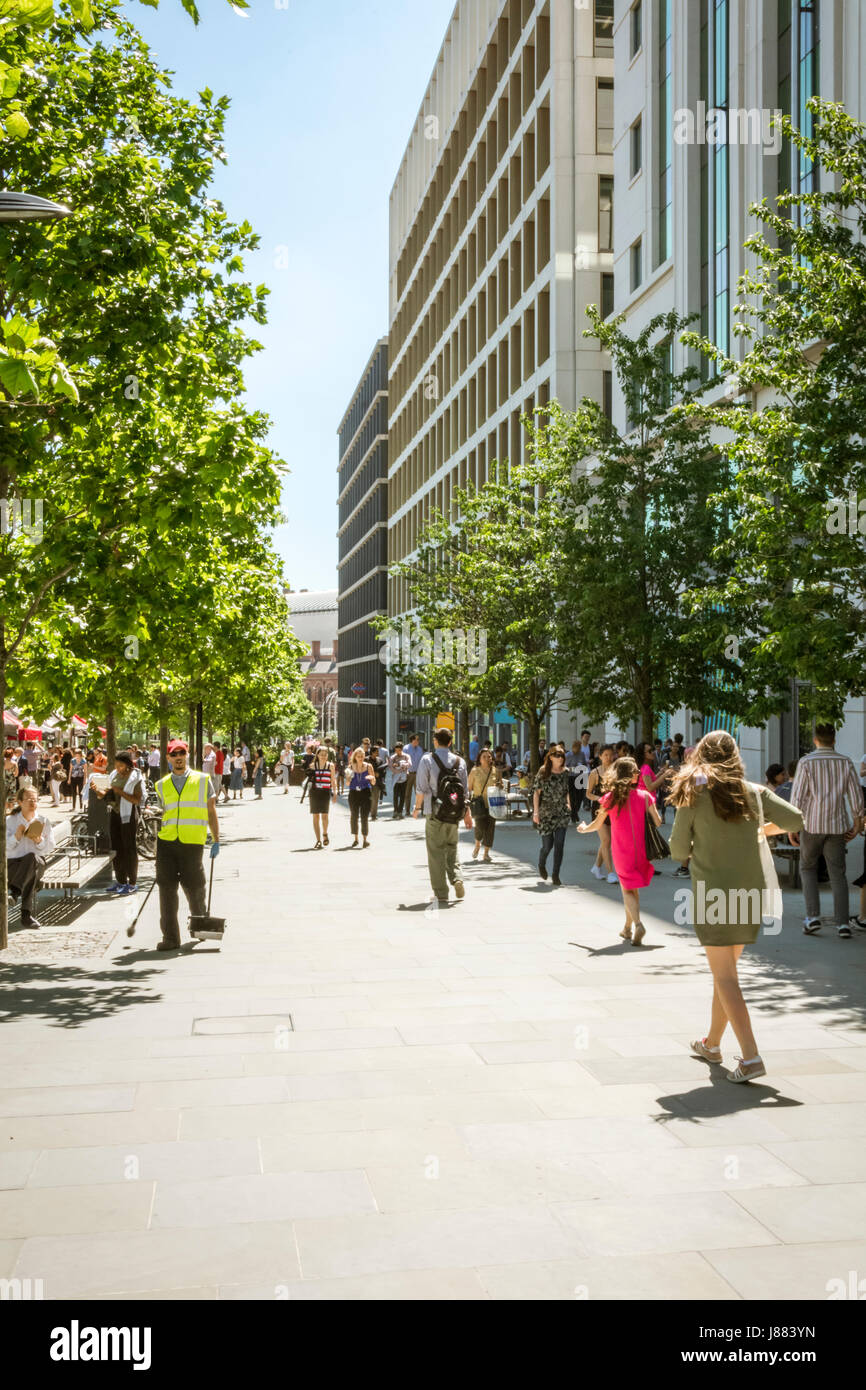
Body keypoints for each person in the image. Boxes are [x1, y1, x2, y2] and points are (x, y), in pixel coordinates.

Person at [667, 731, 804, 1083]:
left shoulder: (695, 791)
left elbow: (678, 849)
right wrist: (761, 830)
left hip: (712, 892)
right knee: (724, 973)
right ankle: (712, 1044)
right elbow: (797, 820)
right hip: (749, 892)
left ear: (703, 756)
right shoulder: (754, 792)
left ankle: (751, 1056)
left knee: (724, 975)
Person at [789, 723, 863, 940]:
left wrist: (793, 826)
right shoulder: (845, 762)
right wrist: (858, 821)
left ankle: (812, 917)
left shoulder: (806, 762)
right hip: (837, 826)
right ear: (834, 740)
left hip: (811, 825)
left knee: (807, 868)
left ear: (815, 740)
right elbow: (855, 795)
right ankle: (842, 924)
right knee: (837, 874)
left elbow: (798, 798)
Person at [578, 755, 661, 945]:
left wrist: (583, 829)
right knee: (632, 890)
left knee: (627, 891)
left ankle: (638, 924)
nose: (639, 774)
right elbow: (657, 822)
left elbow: (597, 824)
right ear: (630, 776)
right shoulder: (645, 796)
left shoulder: (610, 799)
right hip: (640, 850)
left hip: (622, 850)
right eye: (637, 772)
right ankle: (627, 928)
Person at [154, 740, 220, 952]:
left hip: (192, 842)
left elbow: (211, 811)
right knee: (166, 890)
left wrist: (216, 839)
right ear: (168, 758)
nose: (178, 757)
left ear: (188, 755)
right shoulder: (161, 784)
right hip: (167, 843)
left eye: (182, 753)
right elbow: (160, 811)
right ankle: (171, 938)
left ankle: (200, 925)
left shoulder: (202, 780)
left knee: (195, 888)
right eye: (174, 754)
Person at [414, 728, 472, 905]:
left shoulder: (427, 760)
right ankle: (457, 878)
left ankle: (441, 892)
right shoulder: (459, 761)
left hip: (434, 812)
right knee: (452, 847)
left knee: (435, 851)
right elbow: (465, 792)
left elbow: (421, 789)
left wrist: (417, 808)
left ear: (435, 741)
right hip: (454, 812)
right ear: (450, 742)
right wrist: (467, 814)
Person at [93, 750, 143, 895]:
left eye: (120, 765)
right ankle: (120, 880)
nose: (117, 768)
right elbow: (106, 795)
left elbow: (136, 800)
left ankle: (132, 882)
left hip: (128, 814)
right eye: (116, 765)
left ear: (128, 765)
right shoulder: (114, 775)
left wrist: (119, 791)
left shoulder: (135, 778)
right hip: (115, 813)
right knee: (117, 847)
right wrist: (98, 791)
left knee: (129, 848)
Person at [6, 786, 56, 929]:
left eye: (35, 800)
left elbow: (50, 848)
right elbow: (4, 848)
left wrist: (39, 841)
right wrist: (16, 836)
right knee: (30, 872)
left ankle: (14, 892)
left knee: (32, 859)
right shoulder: (10, 820)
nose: (33, 803)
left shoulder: (43, 820)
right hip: (13, 866)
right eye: (29, 800)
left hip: (37, 863)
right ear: (20, 802)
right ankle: (26, 915)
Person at [531, 747, 572, 885]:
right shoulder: (543, 771)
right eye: (557, 755)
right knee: (547, 846)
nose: (560, 758)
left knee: (559, 844)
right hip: (546, 813)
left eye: (562, 755)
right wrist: (536, 812)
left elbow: (567, 790)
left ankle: (556, 874)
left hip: (562, 813)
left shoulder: (566, 772)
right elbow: (536, 792)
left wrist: (569, 804)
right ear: (550, 757)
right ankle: (541, 864)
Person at [587, 745, 617, 882]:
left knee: (606, 841)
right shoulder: (595, 773)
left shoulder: (616, 771)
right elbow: (588, 793)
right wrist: (598, 798)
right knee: (606, 840)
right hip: (599, 809)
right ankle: (611, 873)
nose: (609, 757)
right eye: (605, 755)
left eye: (611, 755)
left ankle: (596, 867)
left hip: (613, 808)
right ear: (600, 756)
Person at [468, 747, 503, 863]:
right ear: (479, 758)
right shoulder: (474, 771)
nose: (487, 758)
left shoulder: (496, 771)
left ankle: (486, 853)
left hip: (492, 803)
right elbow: (469, 788)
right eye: (484, 756)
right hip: (479, 803)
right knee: (479, 827)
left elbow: (501, 785)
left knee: (490, 828)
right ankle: (477, 844)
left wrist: (499, 785)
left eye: (489, 756)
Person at [306, 744, 335, 847]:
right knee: (315, 816)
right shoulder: (312, 766)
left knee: (325, 816)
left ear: (327, 755)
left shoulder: (330, 766)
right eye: (321, 754)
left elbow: (333, 780)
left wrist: (335, 793)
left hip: (325, 792)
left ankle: (325, 833)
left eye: (325, 754)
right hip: (314, 792)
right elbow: (309, 780)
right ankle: (318, 840)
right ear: (317, 755)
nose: (323, 756)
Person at [347, 746, 376, 847]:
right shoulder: (350, 767)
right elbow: (347, 783)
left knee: (364, 816)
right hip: (354, 793)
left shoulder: (368, 766)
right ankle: (355, 838)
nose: (360, 758)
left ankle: (365, 839)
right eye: (358, 756)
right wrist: (348, 778)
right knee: (354, 815)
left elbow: (373, 782)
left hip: (365, 793)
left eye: (362, 756)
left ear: (364, 756)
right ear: (355, 757)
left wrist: (372, 778)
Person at [389, 742, 410, 819]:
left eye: (399, 750)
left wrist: (403, 765)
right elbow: (390, 766)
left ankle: (400, 812)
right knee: (395, 796)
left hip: (404, 779)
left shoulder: (406, 756)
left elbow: (410, 764)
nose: (397, 752)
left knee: (402, 796)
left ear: (402, 749)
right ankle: (395, 811)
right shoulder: (393, 757)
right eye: (396, 750)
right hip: (396, 779)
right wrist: (397, 770)